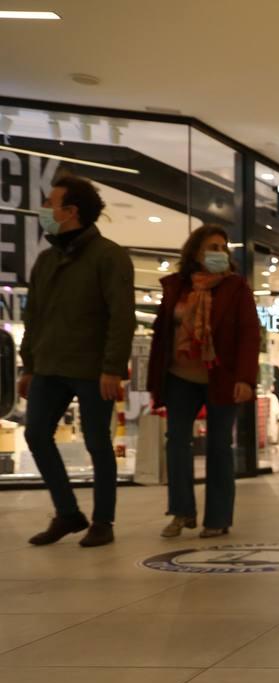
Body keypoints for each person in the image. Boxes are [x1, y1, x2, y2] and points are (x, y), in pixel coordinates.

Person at [19, 174, 134, 548]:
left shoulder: (109, 256)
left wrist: (113, 368)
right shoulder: (47, 259)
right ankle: (68, 513)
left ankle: (104, 520)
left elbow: (122, 315)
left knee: (99, 443)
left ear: (71, 211)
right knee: (35, 433)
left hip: (92, 368)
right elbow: (34, 315)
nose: (45, 210)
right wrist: (29, 364)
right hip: (49, 366)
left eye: (51, 204)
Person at [148, 225, 260, 539]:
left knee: (219, 445)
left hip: (221, 376)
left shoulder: (236, 288)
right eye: (212, 247)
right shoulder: (177, 287)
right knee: (177, 442)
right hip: (179, 376)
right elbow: (163, 335)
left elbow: (249, 335)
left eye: (223, 248)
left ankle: (218, 517)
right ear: (196, 251)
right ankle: (182, 511)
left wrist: (246, 379)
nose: (219, 253)